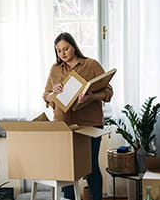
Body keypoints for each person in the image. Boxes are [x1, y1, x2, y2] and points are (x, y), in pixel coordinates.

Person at [43, 32, 113, 200]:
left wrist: (91, 96)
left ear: (73, 46)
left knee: (90, 166)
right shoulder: (55, 69)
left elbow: (108, 91)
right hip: (63, 124)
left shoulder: (91, 65)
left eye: (65, 49)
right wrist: (53, 93)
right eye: (58, 51)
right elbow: (45, 94)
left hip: (90, 124)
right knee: (68, 169)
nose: (62, 54)